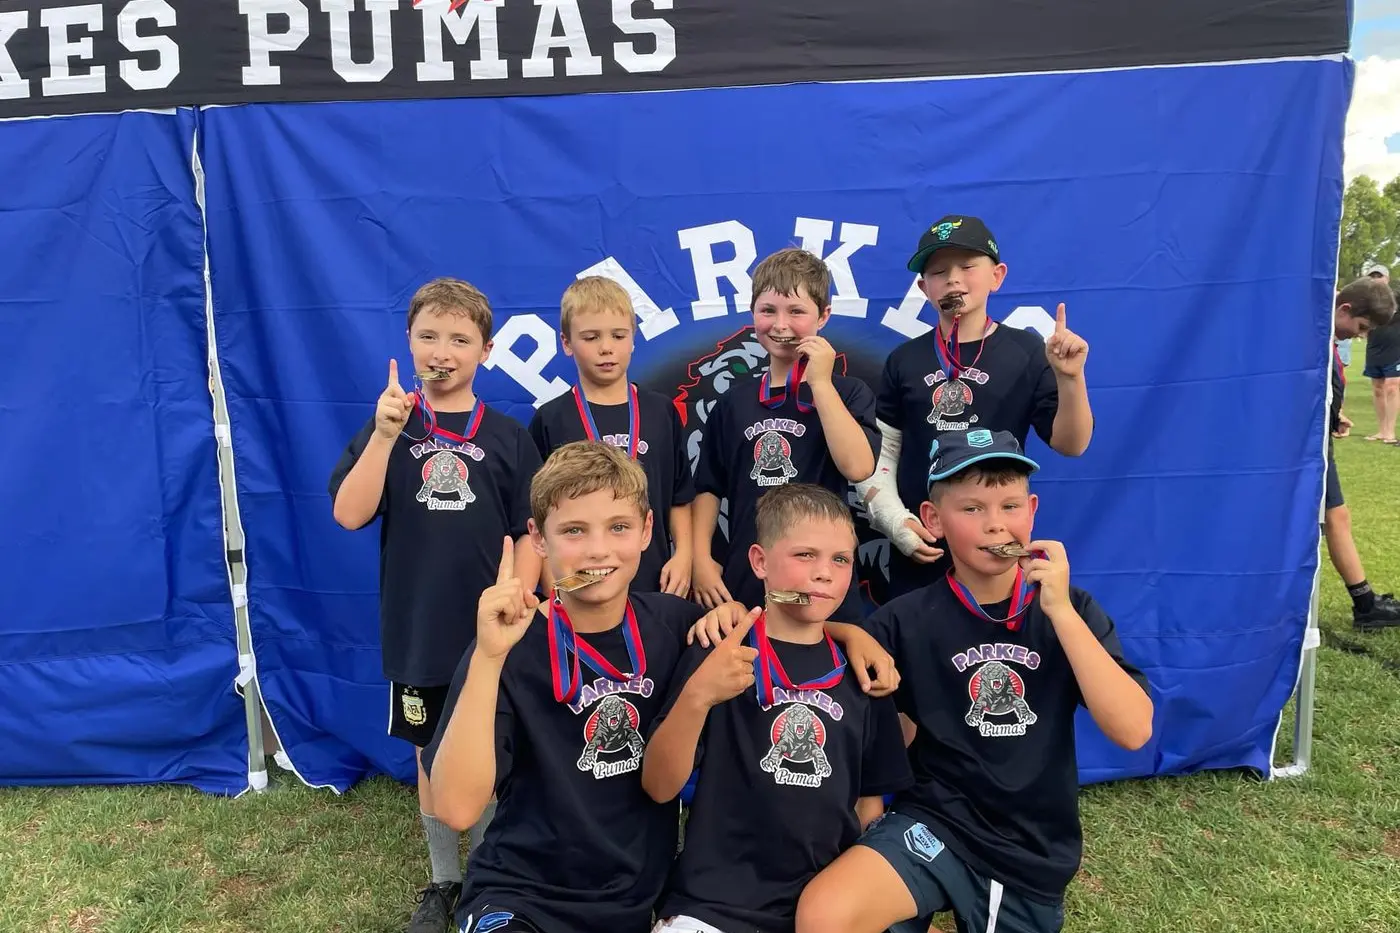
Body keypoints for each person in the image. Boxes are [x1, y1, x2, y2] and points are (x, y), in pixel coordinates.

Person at [423, 442, 899, 933]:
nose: (597, 549)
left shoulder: (678, 625)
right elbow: (456, 808)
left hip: (630, 906)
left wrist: (851, 634)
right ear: (538, 539)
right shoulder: (509, 643)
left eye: (619, 527)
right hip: (523, 895)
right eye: (572, 531)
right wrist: (488, 658)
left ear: (648, 530)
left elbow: (786, 628)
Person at [796, 429, 1153, 933]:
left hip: (1026, 847)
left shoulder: (1073, 611)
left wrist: (1060, 614)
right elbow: (812, 643)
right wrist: (848, 632)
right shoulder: (905, 620)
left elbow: (1134, 730)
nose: (995, 526)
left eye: (1009, 506)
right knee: (824, 915)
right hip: (934, 822)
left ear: (1032, 510)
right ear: (933, 520)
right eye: (972, 509)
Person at [328, 277, 542, 933]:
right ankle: (445, 879)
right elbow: (348, 512)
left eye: (459, 338)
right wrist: (387, 434)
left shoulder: (507, 436)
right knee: (431, 751)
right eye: (429, 336)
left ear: (486, 349)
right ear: (409, 343)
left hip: (490, 634)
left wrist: (520, 594)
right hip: (417, 627)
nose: (442, 350)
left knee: (495, 747)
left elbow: (533, 531)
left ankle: (493, 869)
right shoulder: (389, 426)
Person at [643, 483, 912, 933]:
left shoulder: (865, 670)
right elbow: (658, 787)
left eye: (840, 560)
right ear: (760, 561)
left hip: (821, 909)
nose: (824, 573)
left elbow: (870, 804)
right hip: (712, 907)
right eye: (805, 555)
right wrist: (698, 696)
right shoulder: (718, 650)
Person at [856, 215, 1094, 599]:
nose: (953, 279)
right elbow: (880, 455)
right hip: (922, 547)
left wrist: (1070, 378)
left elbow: (1072, 444)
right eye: (938, 271)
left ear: (997, 276)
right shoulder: (904, 360)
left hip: (996, 545)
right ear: (923, 287)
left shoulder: (1027, 352)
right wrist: (895, 521)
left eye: (968, 266)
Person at [691, 247, 880, 620]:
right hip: (750, 572)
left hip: (824, 578)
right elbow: (708, 487)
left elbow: (858, 467)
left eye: (796, 312)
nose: (780, 325)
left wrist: (821, 384)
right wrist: (700, 558)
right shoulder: (733, 403)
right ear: (752, 314)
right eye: (768, 311)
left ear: (823, 316)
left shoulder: (847, 392)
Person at [528, 276, 695, 595]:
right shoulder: (551, 419)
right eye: (591, 337)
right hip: (581, 583)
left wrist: (684, 555)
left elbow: (679, 494)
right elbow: (538, 512)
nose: (606, 348)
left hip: (654, 580)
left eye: (618, 335)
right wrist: (555, 587)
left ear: (633, 338)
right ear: (566, 342)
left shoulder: (661, 411)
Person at [1326, 277, 1400, 630]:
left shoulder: (1323, 336)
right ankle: (1365, 604)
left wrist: (1334, 416)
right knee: (1336, 518)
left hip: (1316, 440)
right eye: (1360, 327)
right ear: (1345, 309)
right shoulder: (1312, 335)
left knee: (1337, 517)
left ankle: (1365, 601)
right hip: (1306, 449)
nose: (1359, 336)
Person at [1359, 263, 1399, 444]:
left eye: (1379, 276)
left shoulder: (1397, 297)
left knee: (1392, 386)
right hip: (1375, 348)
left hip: (1396, 348)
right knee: (1377, 389)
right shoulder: (1364, 302)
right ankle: (1382, 430)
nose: (1376, 279)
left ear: (1387, 279)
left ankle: (1390, 432)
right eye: (1373, 276)